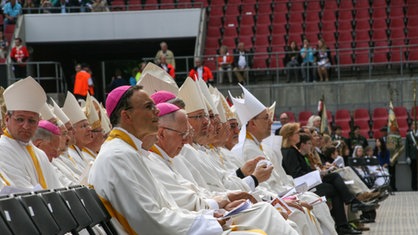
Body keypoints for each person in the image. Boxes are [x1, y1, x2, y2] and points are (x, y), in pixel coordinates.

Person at [89, 85, 227, 234]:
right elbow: (148, 221)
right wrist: (206, 223)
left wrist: (206, 216)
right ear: (127, 116)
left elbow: (166, 209)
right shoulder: (117, 156)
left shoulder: (129, 152)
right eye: (149, 107)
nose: (157, 111)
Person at [280, 124, 374, 234]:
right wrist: (316, 174)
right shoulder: (289, 152)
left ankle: (348, 213)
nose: (299, 136)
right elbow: (296, 173)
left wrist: (318, 174)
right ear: (290, 135)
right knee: (334, 189)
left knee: (334, 177)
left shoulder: (292, 150)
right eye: (296, 133)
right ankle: (346, 215)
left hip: (307, 181)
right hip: (303, 186)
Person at [0, 77, 62, 189]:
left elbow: (57, 189)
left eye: (32, 121)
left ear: (38, 122)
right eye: (20, 119)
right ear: (7, 119)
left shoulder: (40, 154)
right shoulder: (2, 149)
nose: (26, 126)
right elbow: (21, 192)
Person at [405, 126, 417, 191]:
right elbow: (407, 147)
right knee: (414, 173)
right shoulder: (409, 135)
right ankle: (414, 187)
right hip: (412, 157)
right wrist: (407, 156)